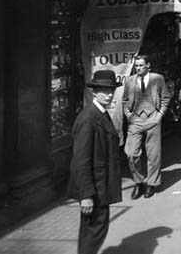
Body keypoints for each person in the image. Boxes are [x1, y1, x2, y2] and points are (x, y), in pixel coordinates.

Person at [68, 70, 123, 254]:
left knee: (91, 232)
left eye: (111, 90)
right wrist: (86, 195)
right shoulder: (88, 119)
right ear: (94, 92)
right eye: (103, 90)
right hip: (95, 189)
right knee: (94, 233)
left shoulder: (100, 114)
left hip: (100, 186)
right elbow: (81, 161)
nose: (108, 94)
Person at [122, 54, 171, 199]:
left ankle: (151, 184)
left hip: (153, 119)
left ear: (148, 65)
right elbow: (125, 100)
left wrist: (160, 114)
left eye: (141, 65)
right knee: (131, 153)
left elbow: (166, 97)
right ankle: (138, 181)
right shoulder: (130, 81)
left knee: (153, 154)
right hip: (135, 120)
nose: (138, 68)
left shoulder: (158, 79)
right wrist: (128, 114)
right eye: (136, 66)